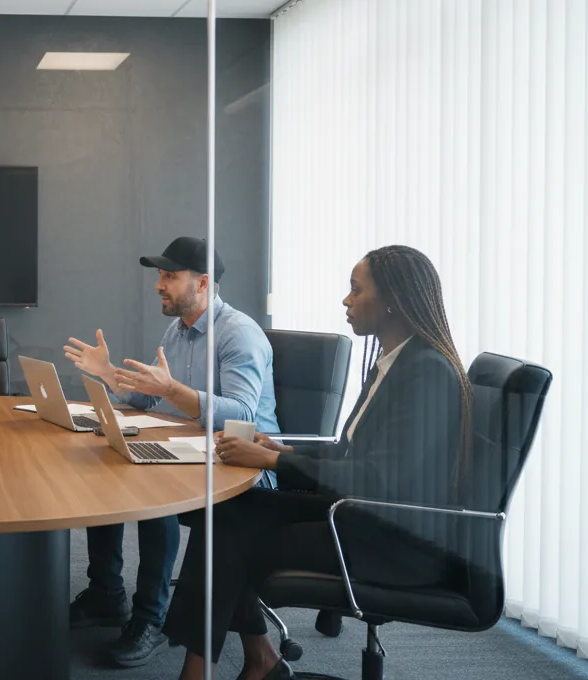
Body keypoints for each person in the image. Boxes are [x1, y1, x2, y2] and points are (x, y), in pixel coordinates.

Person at [164, 244, 472, 680]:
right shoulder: (394, 362)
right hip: (363, 513)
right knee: (227, 512)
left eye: (355, 290)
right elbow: (354, 452)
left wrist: (272, 460)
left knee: (230, 538)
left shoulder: (426, 372)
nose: (346, 300)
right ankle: (253, 661)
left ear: (392, 301)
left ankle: (219, 668)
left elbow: (377, 477)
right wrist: (288, 452)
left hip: (395, 540)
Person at [63, 236, 279, 668]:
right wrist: (111, 375)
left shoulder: (239, 334)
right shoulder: (178, 328)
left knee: (153, 492)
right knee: (110, 464)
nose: (159, 285)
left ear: (202, 283)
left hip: (246, 466)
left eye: (169, 277)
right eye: (159, 276)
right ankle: (107, 593)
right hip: (194, 451)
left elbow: (241, 413)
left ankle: (151, 618)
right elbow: (150, 398)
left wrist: (173, 391)